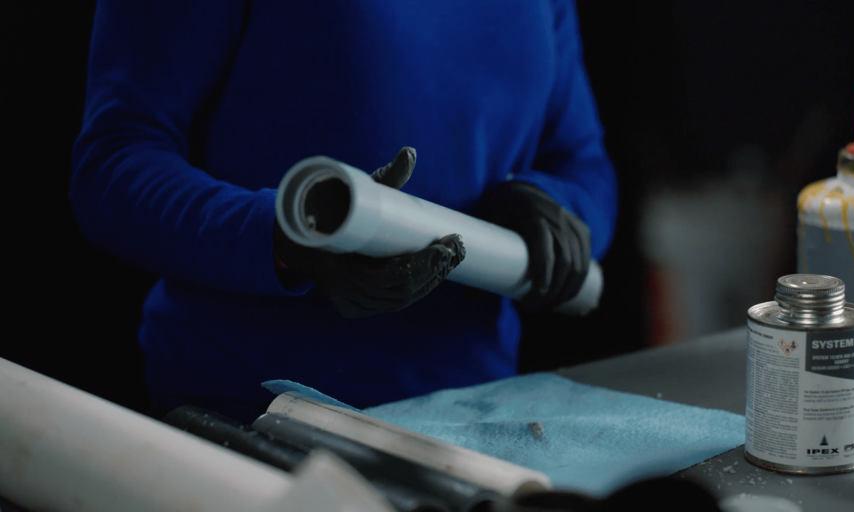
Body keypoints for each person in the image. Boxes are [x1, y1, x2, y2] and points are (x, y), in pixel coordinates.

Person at [71, 0, 619, 424]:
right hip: (250, 423)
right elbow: (114, 163)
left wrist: (550, 204)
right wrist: (281, 242)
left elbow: (583, 161)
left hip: (481, 419)